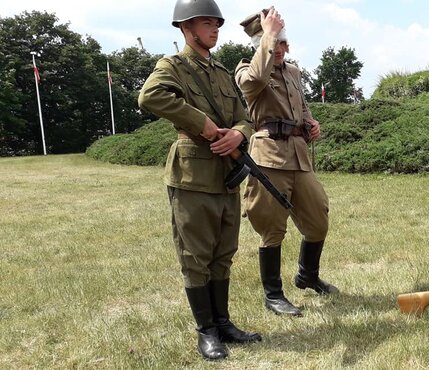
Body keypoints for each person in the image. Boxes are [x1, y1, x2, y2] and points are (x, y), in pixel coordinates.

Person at [137, 0, 262, 361]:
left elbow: (245, 117)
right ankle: (206, 331)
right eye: (206, 23)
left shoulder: (222, 72)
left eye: (216, 24)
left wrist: (239, 135)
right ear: (186, 29)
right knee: (196, 256)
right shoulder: (173, 66)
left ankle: (223, 323)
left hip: (227, 173)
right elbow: (150, 96)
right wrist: (202, 124)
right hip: (192, 174)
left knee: (224, 253)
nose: (214, 29)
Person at [235, 7, 338, 317]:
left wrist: (311, 123)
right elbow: (255, 79)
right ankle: (273, 294)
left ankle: (307, 275)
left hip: (298, 155)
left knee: (318, 217)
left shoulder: (293, 71)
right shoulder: (245, 69)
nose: (279, 49)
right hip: (269, 157)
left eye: (282, 42)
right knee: (272, 227)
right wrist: (267, 34)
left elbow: (301, 106)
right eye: (272, 43)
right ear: (260, 44)